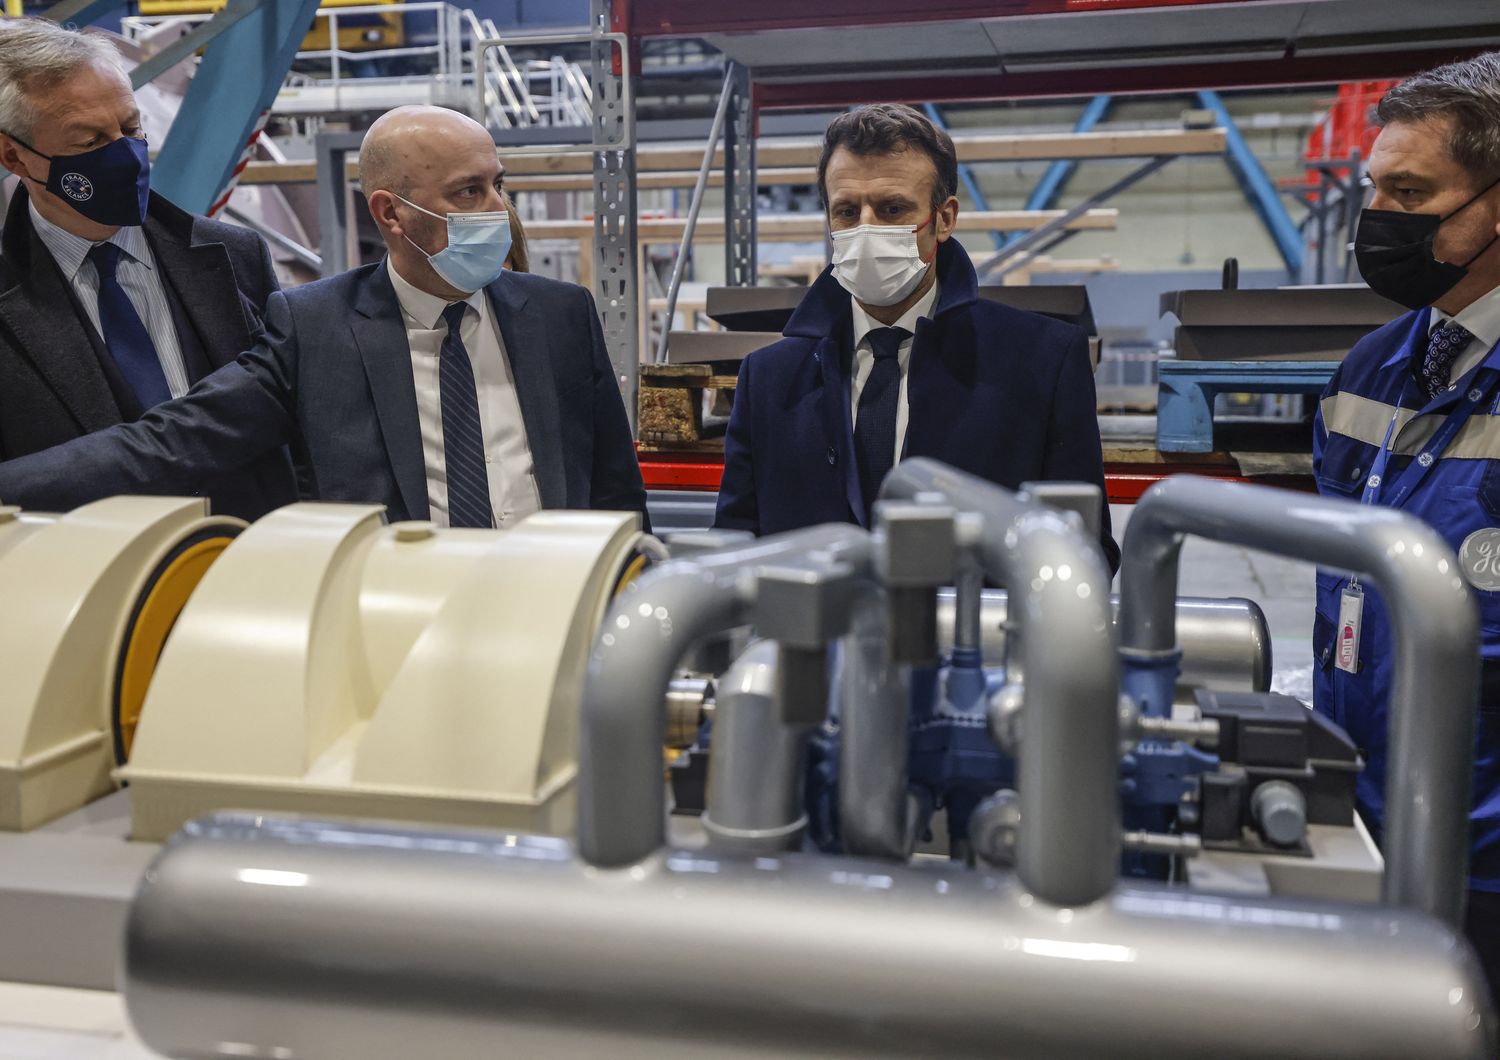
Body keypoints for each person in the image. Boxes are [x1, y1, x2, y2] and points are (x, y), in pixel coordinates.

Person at [0, 105, 647, 530]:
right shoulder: (314, 329)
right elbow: (170, 440)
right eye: (468, 192)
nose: (497, 210)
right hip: (393, 621)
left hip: (554, 602)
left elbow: (618, 494)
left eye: (497, 184)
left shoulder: (560, 316)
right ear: (391, 215)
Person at [713, 103, 1116, 569]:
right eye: (847, 211)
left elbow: (1083, 553)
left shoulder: (1042, 364)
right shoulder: (768, 379)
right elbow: (734, 546)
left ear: (944, 219)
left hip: (970, 635)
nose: (866, 228)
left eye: (892, 209)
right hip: (810, 638)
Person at [1312, 51, 1500, 999]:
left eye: (1412, 190)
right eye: (1375, 186)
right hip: (1368, 822)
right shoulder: (1369, 371)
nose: (1379, 217)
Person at [0, 18, 295, 520]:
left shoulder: (236, 256)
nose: (126, 153)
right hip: (86, 583)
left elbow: (296, 435)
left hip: (249, 570)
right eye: (89, 142)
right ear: (16, 156)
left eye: (131, 128)